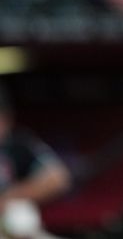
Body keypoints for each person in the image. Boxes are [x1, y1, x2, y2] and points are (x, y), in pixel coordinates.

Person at [0, 84, 71, 239]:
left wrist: (10, 197)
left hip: (10, 225)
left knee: (20, 216)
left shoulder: (17, 144)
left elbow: (58, 177)